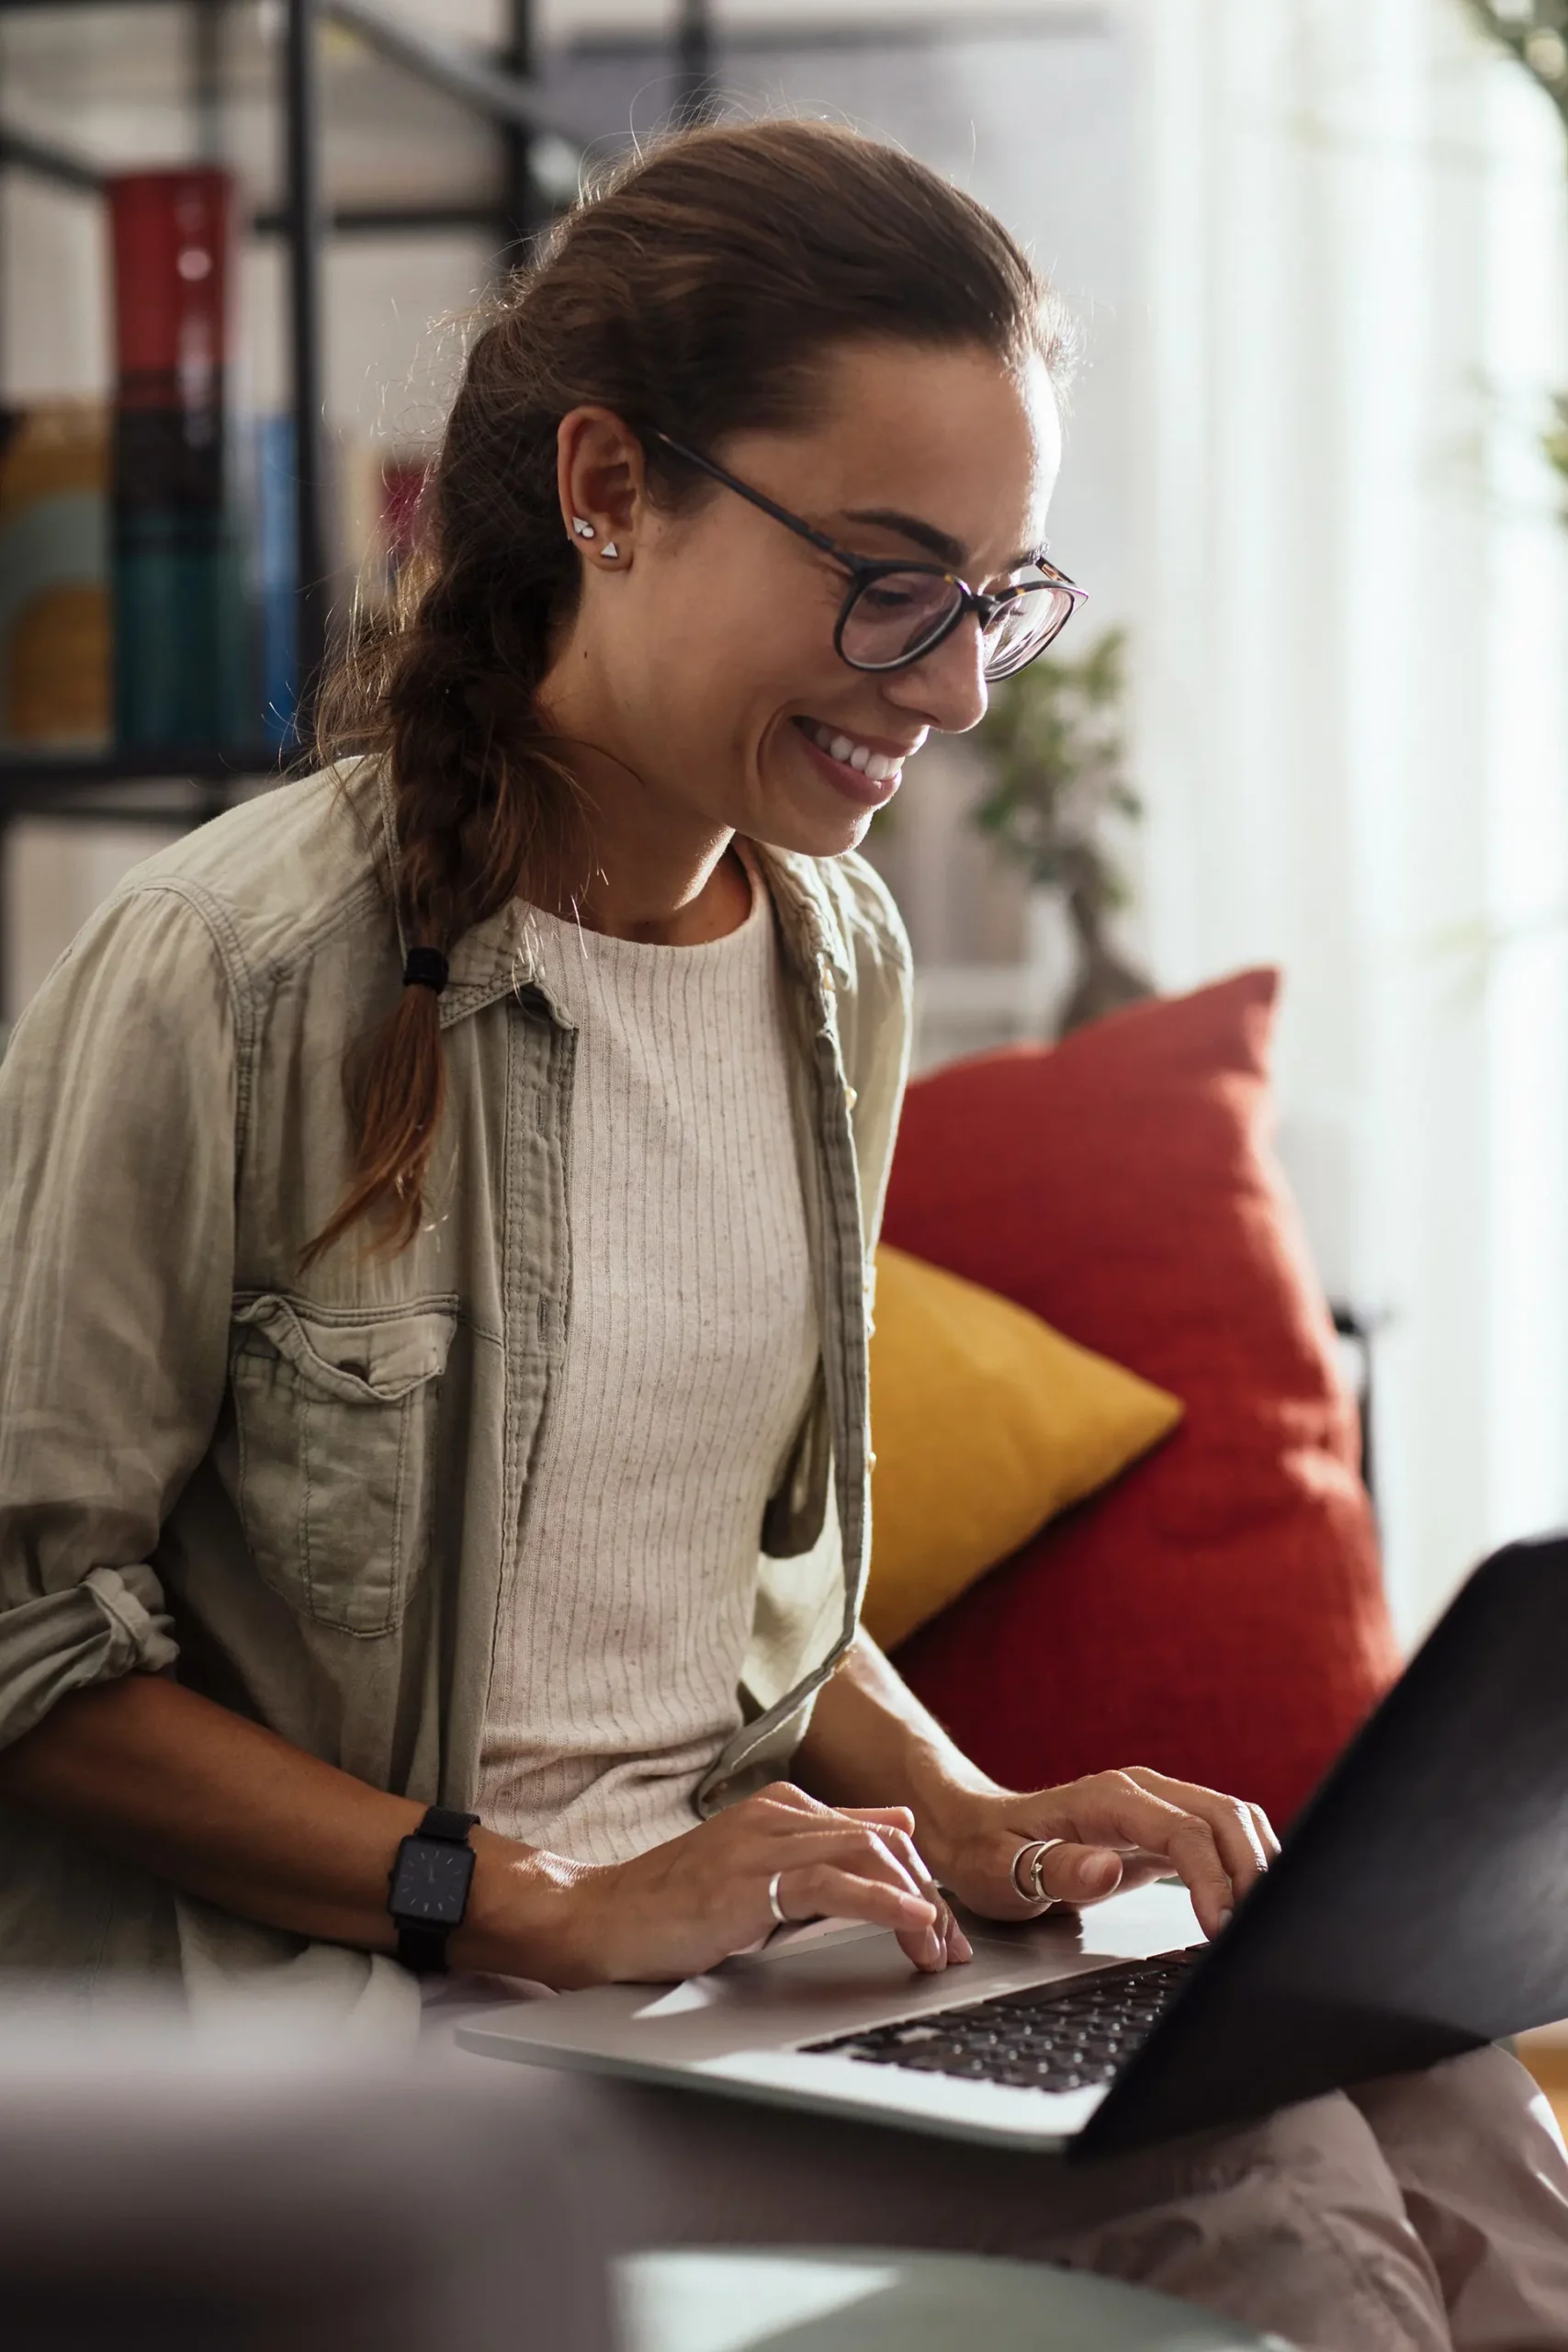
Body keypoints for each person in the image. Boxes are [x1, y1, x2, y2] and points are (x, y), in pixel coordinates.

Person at [0, 119, 1562, 2348]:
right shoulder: (233, 974)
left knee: (1440, 2087)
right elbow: (28, 1647)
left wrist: (972, 1810)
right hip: (391, 2015)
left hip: (715, 1979)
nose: (949, 688)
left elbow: (717, 1603)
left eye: (998, 595)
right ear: (610, 489)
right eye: (887, 576)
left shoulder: (829, 956)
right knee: (1267, 2190)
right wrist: (530, 1896)